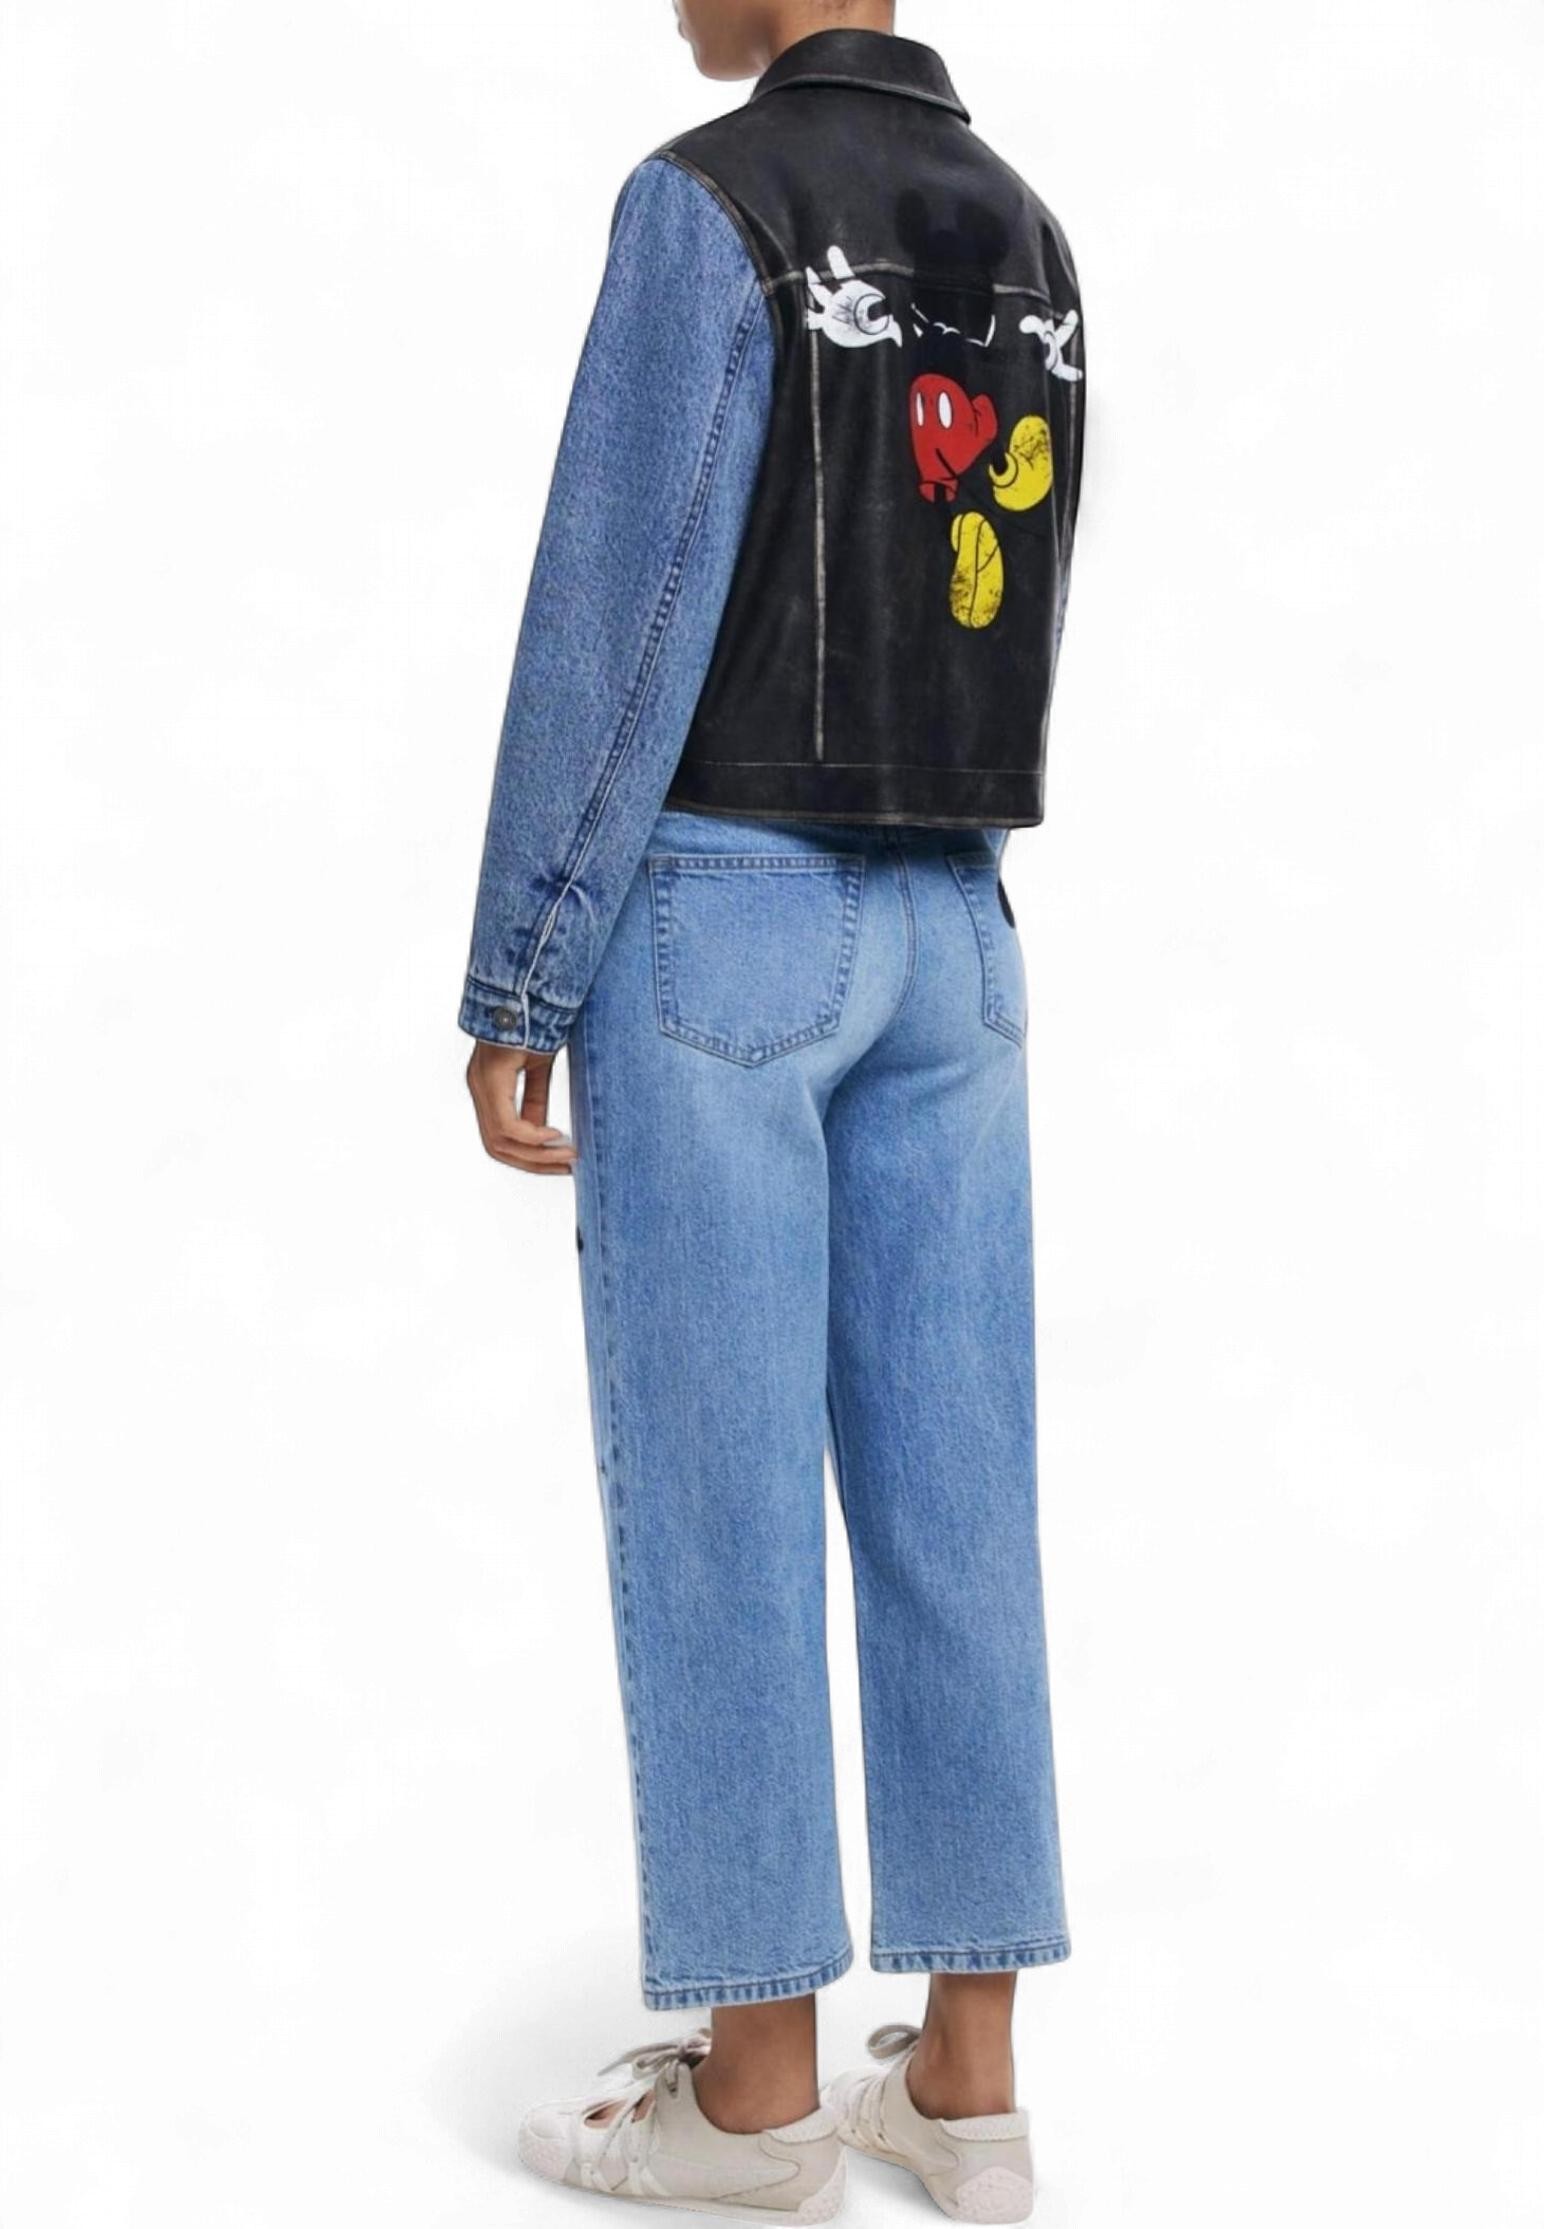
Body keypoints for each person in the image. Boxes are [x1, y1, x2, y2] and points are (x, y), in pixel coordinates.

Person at [460, 0, 1084, 2216]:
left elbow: (622, 605)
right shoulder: (1022, 227)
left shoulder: (707, 203)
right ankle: (970, 2085)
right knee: (956, 1494)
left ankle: (754, 2100)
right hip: (957, 926)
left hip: (724, 918)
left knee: (722, 1494)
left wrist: (526, 961)